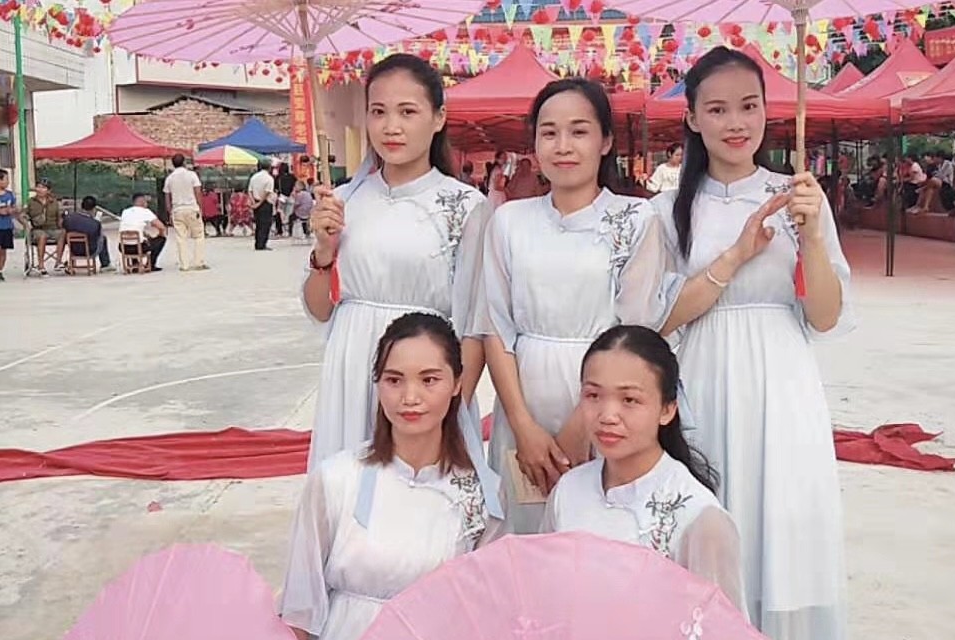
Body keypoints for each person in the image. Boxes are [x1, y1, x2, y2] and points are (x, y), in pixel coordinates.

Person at [651, 46, 853, 640]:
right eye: (717, 108)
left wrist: (814, 236)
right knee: (712, 526)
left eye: (749, 105)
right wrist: (735, 256)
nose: (736, 122)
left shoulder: (797, 200)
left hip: (782, 385)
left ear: (770, 109)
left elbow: (823, 315)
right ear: (692, 118)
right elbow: (660, 318)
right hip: (702, 379)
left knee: (779, 525)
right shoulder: (668, 211)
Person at [279, 312, 502, 640]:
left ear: (457, 384)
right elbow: (301, 602)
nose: (409, 397)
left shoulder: (483, 497)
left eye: (428, 379)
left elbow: (482, 621)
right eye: (394, 380)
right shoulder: (336, 479)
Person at [480, 78, 671, 535]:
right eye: (549, 133)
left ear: (605, 140)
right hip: (522, 398)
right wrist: (523, 425)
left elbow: (637, 333)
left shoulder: (636, 220)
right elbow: (495, 328)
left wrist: (582, 423)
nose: (563, 146)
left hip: (605, 400)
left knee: (595, 535)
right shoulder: (509, 221)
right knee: (524, 533)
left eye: (579, 131)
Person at [303, 53, 493, 476]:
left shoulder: (464, 206)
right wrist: (324, 251)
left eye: (408, 111)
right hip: (352, 366)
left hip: (424, 374)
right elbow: (320, 308)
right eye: (378, 112)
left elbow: (477, 323)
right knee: (351, 493)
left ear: (438, 117)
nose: (391, 126)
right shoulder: (344, 201)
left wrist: (450, 405)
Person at [541, 325, 745, 613]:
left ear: (667, 409)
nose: (608, 416)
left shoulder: (698, 517)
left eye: (629, 400)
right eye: (593, 396)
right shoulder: (569, 490)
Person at [163, 153, 208, 271]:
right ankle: (198, 262)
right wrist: (200, 207)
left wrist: (170, 212)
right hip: (192, 208)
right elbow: (197, 192)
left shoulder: (169, 178)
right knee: (198, 235)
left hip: (177, 210)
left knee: (181, 238)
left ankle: (184, 265)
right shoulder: (192, 175)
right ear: (184, 162)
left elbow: (167, 197)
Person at [62, 196, 114, 272]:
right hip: (90, 251)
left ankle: (70, 262)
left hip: (73, 249)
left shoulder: (69, 219)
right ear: (94, 209)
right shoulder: (95, 223)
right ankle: (105, 264)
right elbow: (98, 237)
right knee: (103, 238)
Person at [119, 192, 168, 271]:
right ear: (141, 202)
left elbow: (131, 226)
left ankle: (135, 263)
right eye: (146, 201)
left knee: (135, 238)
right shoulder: (145, 212)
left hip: (123, 246)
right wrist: (159, 234)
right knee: (161, 239)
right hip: (139, 247)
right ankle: (151, 264)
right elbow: (161, 227)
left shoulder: (125, 212)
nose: (147, 204)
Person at [26, 178, 65, 275]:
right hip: (38, 229)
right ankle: (41, 265)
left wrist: (62, 224)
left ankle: (58, 262)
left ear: (48, 191)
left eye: (43, 187)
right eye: (38, 187)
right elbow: (22, 215)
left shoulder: (54, 202)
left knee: (63, 233)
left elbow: (59, 217)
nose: (40, 189)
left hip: (52, 228)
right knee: (42, 236)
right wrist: (26, 223)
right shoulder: (31, 202)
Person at [248, 159, 276, 250]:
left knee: (258, 223)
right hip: (265, 203)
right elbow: (267, 192)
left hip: (255, 201)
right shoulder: (269, 178)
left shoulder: (254, 177)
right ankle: (262, 244)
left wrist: (253, 202)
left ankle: (257, 243)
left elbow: (250, 190)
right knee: (265, 224)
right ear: (269, 167)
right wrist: (260, 203)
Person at [0, 168, 16, 282]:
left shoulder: (10, 195)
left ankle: (0, 271)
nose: (8, 182)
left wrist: (12, 210)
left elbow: (14, 208)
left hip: (6, 227)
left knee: (3, 250)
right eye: (6, 179)